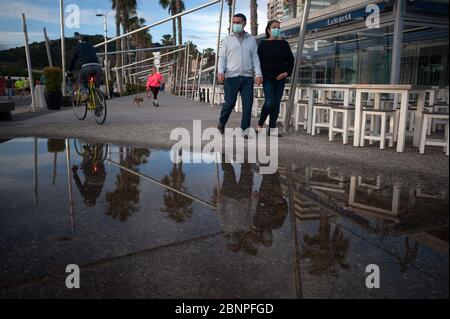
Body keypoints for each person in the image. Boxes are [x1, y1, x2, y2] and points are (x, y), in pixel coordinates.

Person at [217, 13, 263, 138]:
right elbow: (222, 57)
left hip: (247, 78)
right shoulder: (228, 39)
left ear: (244, 23)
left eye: (238, 22)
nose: (236, 25)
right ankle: (222, 122)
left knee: (247, 106)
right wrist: (220, 71)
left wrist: (258, 74)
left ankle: (245, 131)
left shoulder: (251, 39)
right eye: (234, 22)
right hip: (231, 78)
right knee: (229, 104)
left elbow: (255, 57)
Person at [257, 20, 294, 137]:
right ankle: (260, 123)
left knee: (276, 103)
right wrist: (258, 75)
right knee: (269, 102)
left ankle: (272, 129)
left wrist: (286, 73)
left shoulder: (284, 44)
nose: (277, 29)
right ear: (268, 30)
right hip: (267, 78)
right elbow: (257, 61)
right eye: (274, 27)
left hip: (281, 78)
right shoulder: (262, 44)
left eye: (278, 27)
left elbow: (291, 61)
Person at [67, 32, 103, 105]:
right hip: (98, 67)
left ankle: (85, 93)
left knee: (81, 80)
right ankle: (98, 105)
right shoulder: (91, 46)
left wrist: (69, 70)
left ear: (80, 41)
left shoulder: (79, 46)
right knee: (95, 85)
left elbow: (73, 59)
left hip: (87, 67)